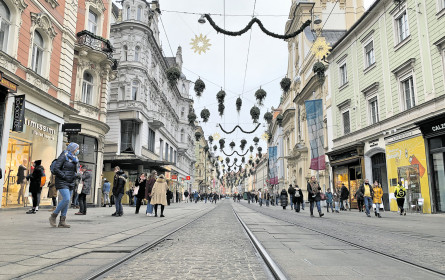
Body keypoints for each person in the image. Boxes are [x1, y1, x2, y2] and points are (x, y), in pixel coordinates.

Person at [49, 142, 81, 228]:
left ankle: (62, 221)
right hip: (62, 181)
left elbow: (74, 170)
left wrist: (76, 175)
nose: (77, 150)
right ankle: (53, 216)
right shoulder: (64, 155)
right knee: (66, 199)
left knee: (67, 202)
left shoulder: (75, 158)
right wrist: (64, 176)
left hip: (71, 181)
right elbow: (56, 169)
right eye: (77, 149)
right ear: (72, 148)